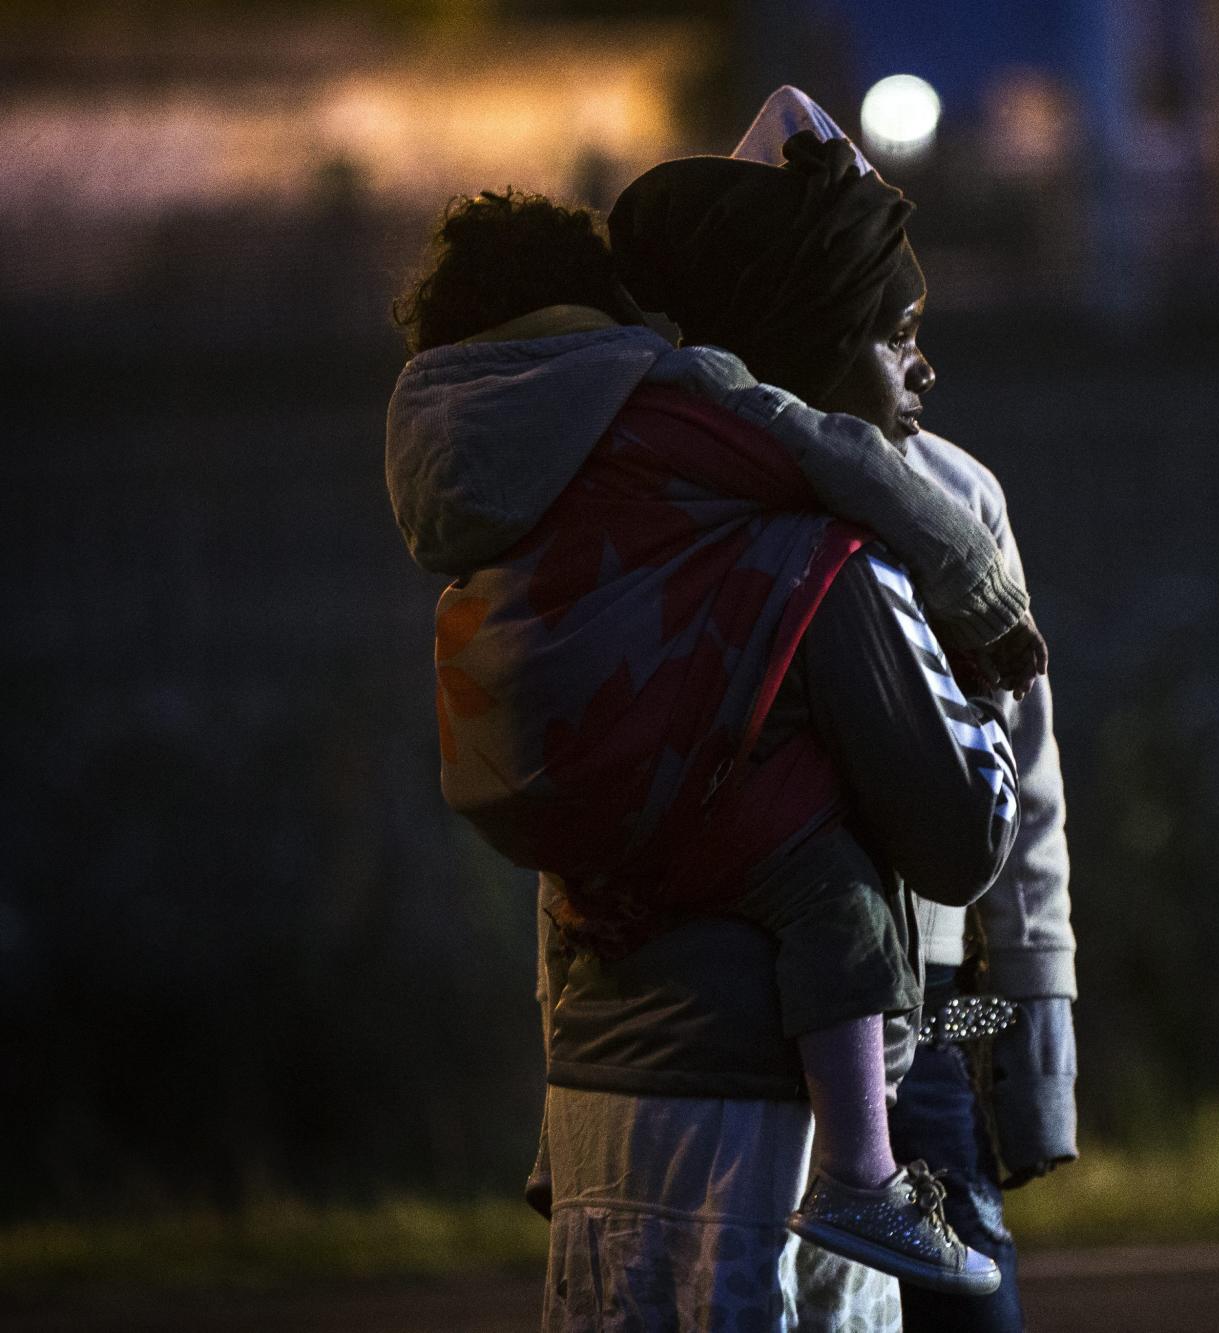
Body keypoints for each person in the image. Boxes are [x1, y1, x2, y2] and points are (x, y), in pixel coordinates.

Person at [385, 171, 1036, 1325]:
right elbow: (961, 837)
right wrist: (985, 704)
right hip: (760, 1142)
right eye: (892, 336)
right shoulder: (815, 562)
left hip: (595, 1120)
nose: (920, 370)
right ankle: (869, 1179)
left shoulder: (568, 549)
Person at [729, 87, 1081, 1330]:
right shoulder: (704, 507)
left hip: (932, 1014)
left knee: (964, 1290)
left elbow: (1023, 792)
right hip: (740, 1017)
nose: (923, 358)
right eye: (895, 325)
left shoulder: (951, 497)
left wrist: (1033, 1054)